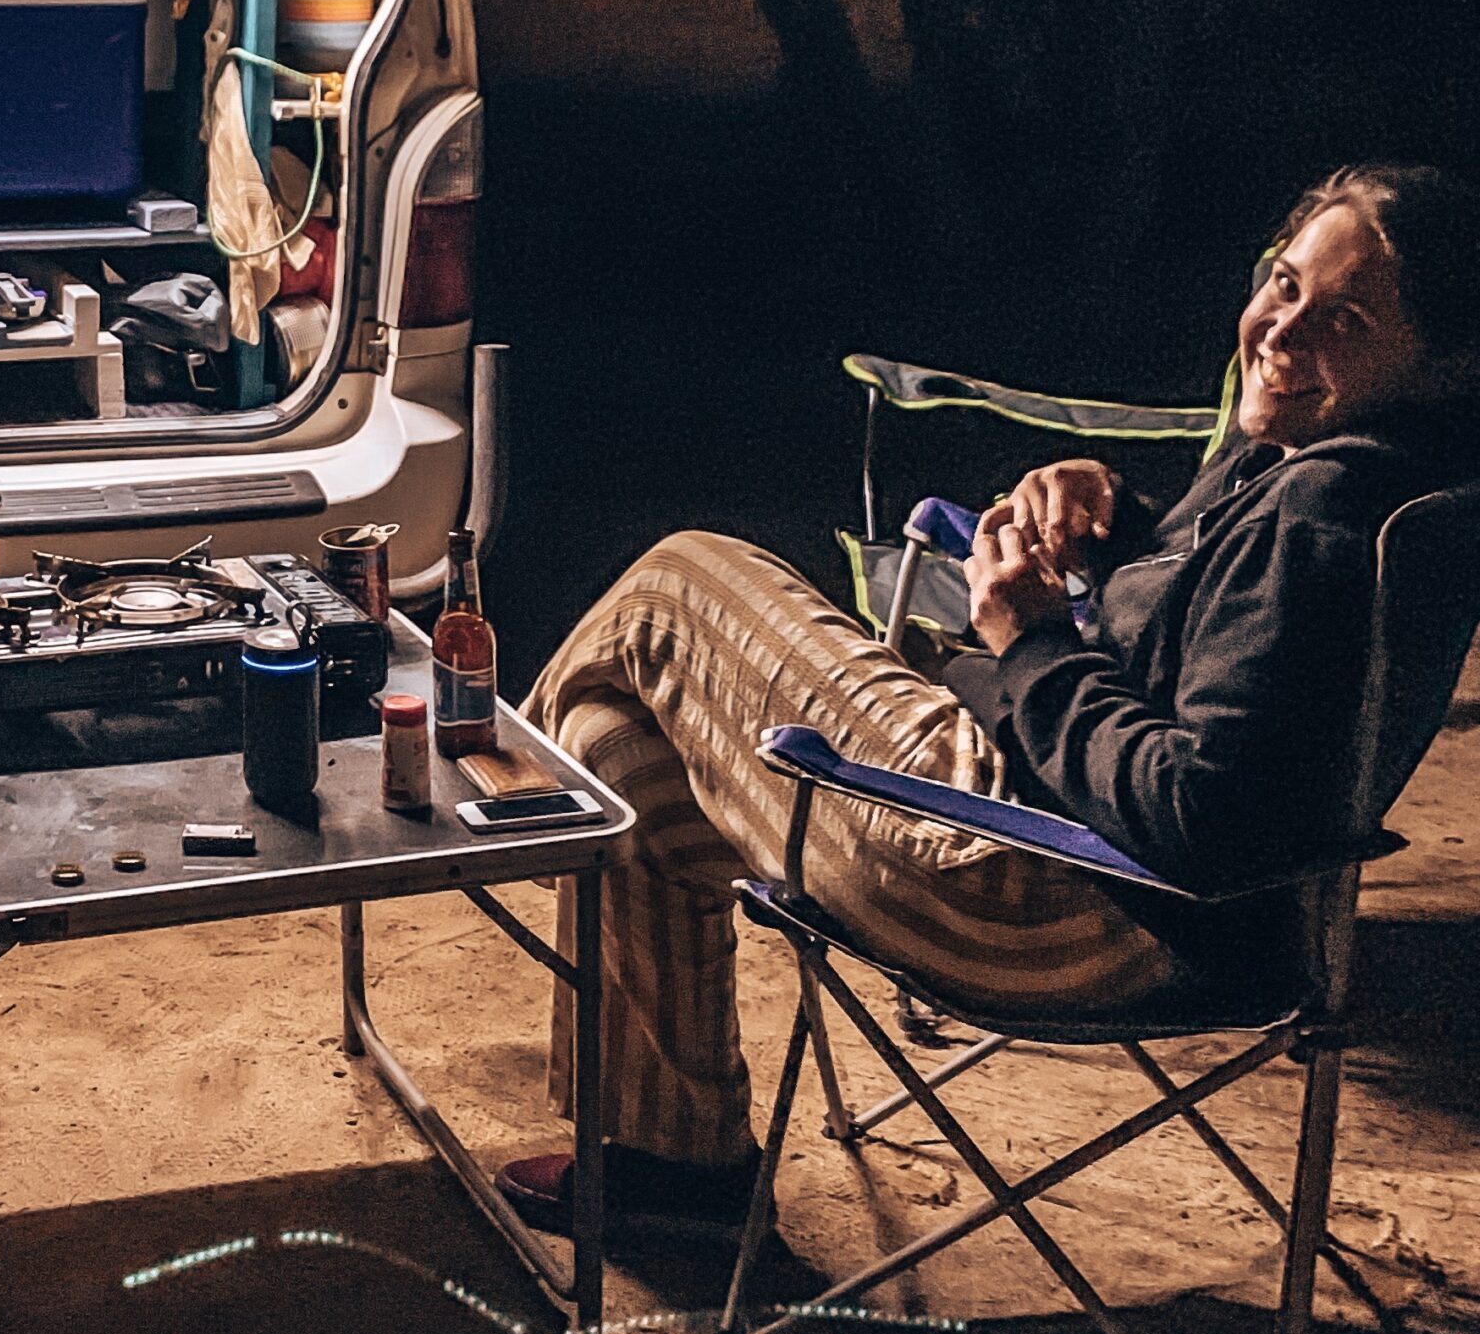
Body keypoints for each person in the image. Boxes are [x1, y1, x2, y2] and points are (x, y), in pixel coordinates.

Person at [495, 163, 1480, 1241]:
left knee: (680, 584)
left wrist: (1029, 642)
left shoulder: (1333, 510)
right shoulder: (1313, 457)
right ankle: (680, 1171)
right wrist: (1117, 521)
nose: (1279, 330)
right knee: (620, 752)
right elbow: (1213, 630)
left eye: (1339, 318)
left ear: (1439, 363)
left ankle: (476, 812)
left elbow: (1207, 816)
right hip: (1056, 858)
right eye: (1281, 284)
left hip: (1065, 899)